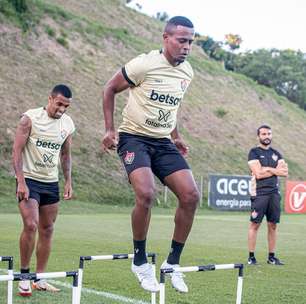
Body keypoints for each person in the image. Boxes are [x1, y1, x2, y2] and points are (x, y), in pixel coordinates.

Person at [102, 16, 199, 293]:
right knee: (146, 194)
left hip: (163, 141)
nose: (186, 47)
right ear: (166, 38)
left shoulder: (187, 72)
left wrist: (176, 136)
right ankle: (140, 261)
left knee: (191, 196)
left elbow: (172, 107)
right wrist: (109, 130)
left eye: (190, 42)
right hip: (134, 138)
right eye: (182, 40)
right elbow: (109, 88)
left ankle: (172, 263)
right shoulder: (143, 64)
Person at [12, 84, 75, 296]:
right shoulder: (29, 119)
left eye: (66, 106)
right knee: (31, 225)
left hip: (50, 183)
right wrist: (20, 181)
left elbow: (65, 155)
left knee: (47, 230)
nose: (62, 109)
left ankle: (39, 278)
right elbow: (17, 151)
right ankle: (24, 277)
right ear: (49, 99)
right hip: (29, 180)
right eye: (59, 104)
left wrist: (67, 181)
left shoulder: (67, 124)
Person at [247, 125, 288, 266]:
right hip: (259, 193)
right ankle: (251, 257)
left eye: (269, 133)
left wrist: (268, 169)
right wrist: (275, 169)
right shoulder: (254, 152)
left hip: (274, 194)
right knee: (255, 224)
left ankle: (271, 257)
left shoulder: (276, 153)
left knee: (273, 225)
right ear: (258, 136)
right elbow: (258, 174)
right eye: (263, 134)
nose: (267, 136)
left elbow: (284, 172)